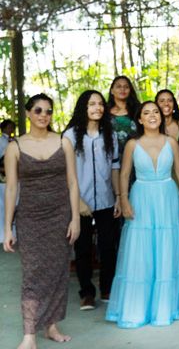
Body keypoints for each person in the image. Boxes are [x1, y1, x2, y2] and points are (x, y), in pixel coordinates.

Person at [106, 101, 179, 327]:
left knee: (167, 247)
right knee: (142, 250)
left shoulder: (171, 142)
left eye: (155, 111)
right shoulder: (132, 144)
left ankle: (166, 307)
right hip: (142, 197)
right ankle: (138, 308)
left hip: (167, 196)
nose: (152, 116)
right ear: (140, 119)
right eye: (146, 113)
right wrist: (124, 200)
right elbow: (125, 173)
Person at [3, 94, 81, 348]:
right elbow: (11, 189)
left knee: (58, 272)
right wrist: (7, 228)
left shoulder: (63, 142)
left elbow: (72, 182)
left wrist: (75, 219)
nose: (43, 115)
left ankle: (51, 326)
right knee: (33, 274)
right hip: (30, 218)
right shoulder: (15, 146)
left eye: (48, 111)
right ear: (28, 113)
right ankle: (29, 335)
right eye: (38, 110)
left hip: (60, 216)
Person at [62, 90, 121, 310]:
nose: (97, 108)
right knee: (83, 248)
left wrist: (118, 197)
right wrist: (78, 202)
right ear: (83, 108)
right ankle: (86, 292)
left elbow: (115, 167)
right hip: (80, 201)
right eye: (91, 104)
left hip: (106, 200)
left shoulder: (110, 134)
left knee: (108, 246)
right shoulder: (70, 136)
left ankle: (107, 288)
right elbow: (66, 173)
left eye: (100, 104)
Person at [108, 76, 140, 160]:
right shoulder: (104, 112)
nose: (122, 89)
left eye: (126, 87)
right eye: (118, 86)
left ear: (130, 90)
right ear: (112, 91)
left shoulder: (139, 110)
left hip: (136, 157)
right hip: (111, 158)